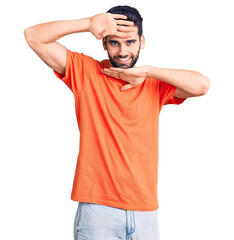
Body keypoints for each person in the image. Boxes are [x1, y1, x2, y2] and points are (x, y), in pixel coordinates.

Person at [24, 5, 210, 240]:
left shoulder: (154, 83)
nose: (123, 51)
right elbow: (34, 36)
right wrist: (88, 23)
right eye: (114, 43)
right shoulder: (86, 72)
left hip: (145, 213)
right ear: (104, 43)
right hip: (97, 212)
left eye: (130, 42)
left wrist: (149, 71)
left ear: (142, 41)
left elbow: (202, 85)